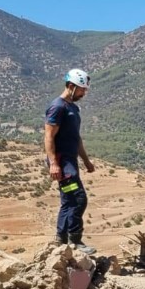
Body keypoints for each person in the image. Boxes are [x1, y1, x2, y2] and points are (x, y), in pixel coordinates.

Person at [44, 69, 96, 252]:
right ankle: (75, 241)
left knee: (68, 200)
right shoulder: (58, 107)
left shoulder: (73, 108)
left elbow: (77, 138)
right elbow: (49, 136)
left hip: (70, 162)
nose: (84, 93)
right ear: (71, 86)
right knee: (78, 198)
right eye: (82, 89)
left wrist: (87, 162)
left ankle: (62, 241)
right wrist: (53, 163)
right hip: (63, 163)